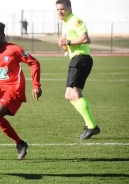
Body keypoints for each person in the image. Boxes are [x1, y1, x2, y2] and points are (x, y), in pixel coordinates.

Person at [0, 21, 42, 160]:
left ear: (3, 35)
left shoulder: (14, 49)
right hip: (2, 90)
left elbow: (34, 63)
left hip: (14, 90)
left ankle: (20, 143)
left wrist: (36, 85)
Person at [56, 0, 100, 140]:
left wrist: (67, 42)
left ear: (69, 8)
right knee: (69, 95)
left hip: (81, 59)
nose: (60, 12)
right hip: (76, 59)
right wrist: (65, 46)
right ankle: (90, 125)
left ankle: (92, 126)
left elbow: (86, 39)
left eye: (62, 9)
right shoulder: (67, 23)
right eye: (57, 9)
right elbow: (77, 41)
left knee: (75, 94)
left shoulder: (75, 20)